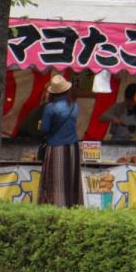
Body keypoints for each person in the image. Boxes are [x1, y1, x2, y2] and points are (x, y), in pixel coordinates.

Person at [39, 74, 84, 207]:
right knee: (72, 178)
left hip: (56, 147)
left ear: (53, 92)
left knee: (56, 180)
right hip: (73, 148)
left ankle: (58, 205)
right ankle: (74, 205)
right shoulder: (75, 106)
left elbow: (45, 129)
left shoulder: (50, 107)